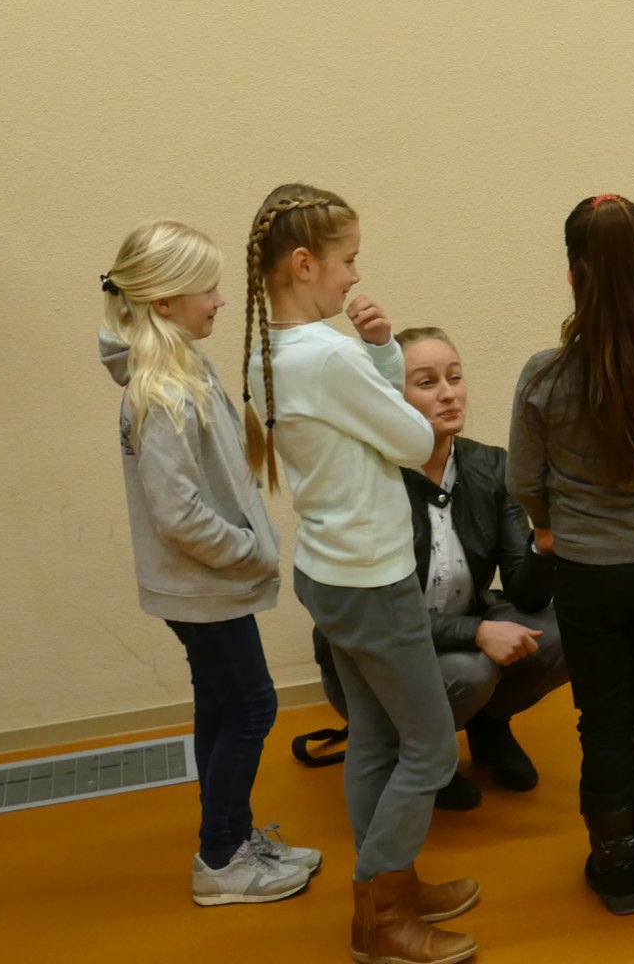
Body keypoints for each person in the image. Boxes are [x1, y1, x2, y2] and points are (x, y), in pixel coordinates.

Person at [241, 185, 476, 964]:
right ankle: (381, 915)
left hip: (330, 570)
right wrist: (378, 355)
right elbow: (414, 438)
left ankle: (393, 885)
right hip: (371, 580)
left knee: (375, 738)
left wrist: (376, 353)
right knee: (431, 750)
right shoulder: (328, 354)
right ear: (304, 264)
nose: (354, 277)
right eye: (347, 261)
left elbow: (373, 422)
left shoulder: (268, 352)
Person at [96, 220, 317, 906]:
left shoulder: (186, 368)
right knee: (252, 706)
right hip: (204, 585)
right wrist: (251, 551)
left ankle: (233, 837)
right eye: (208, 289)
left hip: (205, 583)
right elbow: (179, 514)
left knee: (222, 704)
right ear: (163, 302)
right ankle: (221, 859)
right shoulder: (161, 392)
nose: (221, 300)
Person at [507, 194, 634, 915]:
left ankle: (618, 871)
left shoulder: (543, 376)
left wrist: (550, 522)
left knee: (603, 720)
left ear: (573, 276)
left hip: (588, 576)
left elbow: (523, 481)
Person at [312, 326, 566, 811]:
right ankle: (421, 754)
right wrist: (478, 632)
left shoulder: (491, 466)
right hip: (375, 654)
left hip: (458, 630)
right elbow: (381, 614)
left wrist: (543, 545)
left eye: (454, 377)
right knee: (471, 670)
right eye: (427, 382)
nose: (449, 393)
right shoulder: (369, 476)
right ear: (390, 398)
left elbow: (527, 594)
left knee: (568, 627)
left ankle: (489, 726)